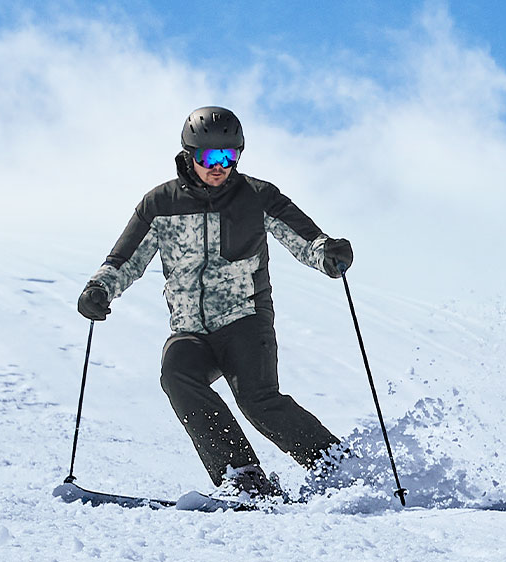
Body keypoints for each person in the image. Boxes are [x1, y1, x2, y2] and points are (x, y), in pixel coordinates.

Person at [77, 106, 357, 501]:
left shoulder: (257, 197)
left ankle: (340, 468)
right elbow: (124, 261)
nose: (220, 166)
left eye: (229, 156)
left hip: (244, 318)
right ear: (189, 154)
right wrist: (99, 290)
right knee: (177, 374)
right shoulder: (159, 205)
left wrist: (328, 253)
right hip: (190, 328)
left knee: (258, 400)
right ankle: (243, 477)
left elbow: (306, 239)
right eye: (210, 157)